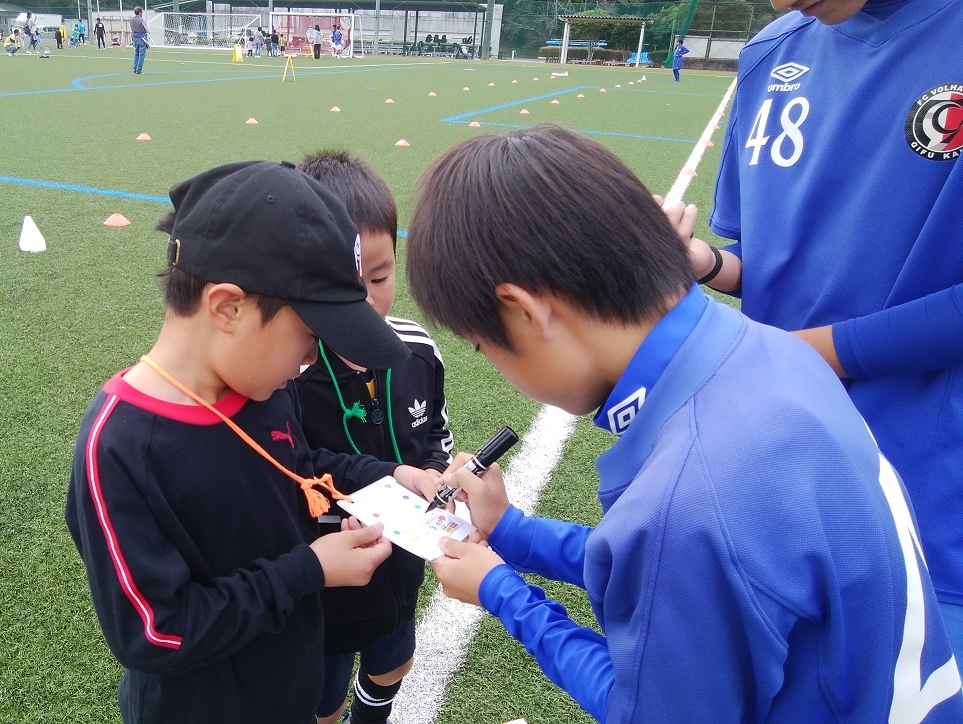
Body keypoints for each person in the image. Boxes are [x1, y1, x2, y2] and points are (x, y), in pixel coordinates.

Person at [406, 124, 963, 721]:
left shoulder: (690, 495)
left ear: (525, 311)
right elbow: (690, 575)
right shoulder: (769, 354)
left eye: (482, 347)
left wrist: (504, 593)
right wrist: (511, 533)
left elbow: (643, 708)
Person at [66, 160, 443, 724]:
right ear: (227, 308)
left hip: (289, 687)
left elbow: (298, 465)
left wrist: (388, 477)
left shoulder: (261, 388)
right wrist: (309, 571)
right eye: (309, 337)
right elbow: (155, 633)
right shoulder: (119, 448)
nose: (309, 361)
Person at [694, 0, 963, 661]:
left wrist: (789, 355)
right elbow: (780, 266)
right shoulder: (771, 53)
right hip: (774, 479)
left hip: (929, 508)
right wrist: (707, 265)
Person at [295, 151, 454, 724]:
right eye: (344, 285)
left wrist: (442, 472)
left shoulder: (418, 350)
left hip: (403, 562)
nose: (366, 302)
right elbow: (283, 470)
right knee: (322, 697)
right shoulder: (285, 373)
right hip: (325, 582)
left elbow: (435, 429)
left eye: (381, 277)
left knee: (391, 664)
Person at [130, 6, 148, 74]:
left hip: (135, 38)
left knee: (136, 53)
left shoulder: (131, 20)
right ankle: (139, 69)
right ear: (140, 12)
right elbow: (146, 29)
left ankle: (135, 68)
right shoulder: (141, 20)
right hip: (141, 38)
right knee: (141, 55)